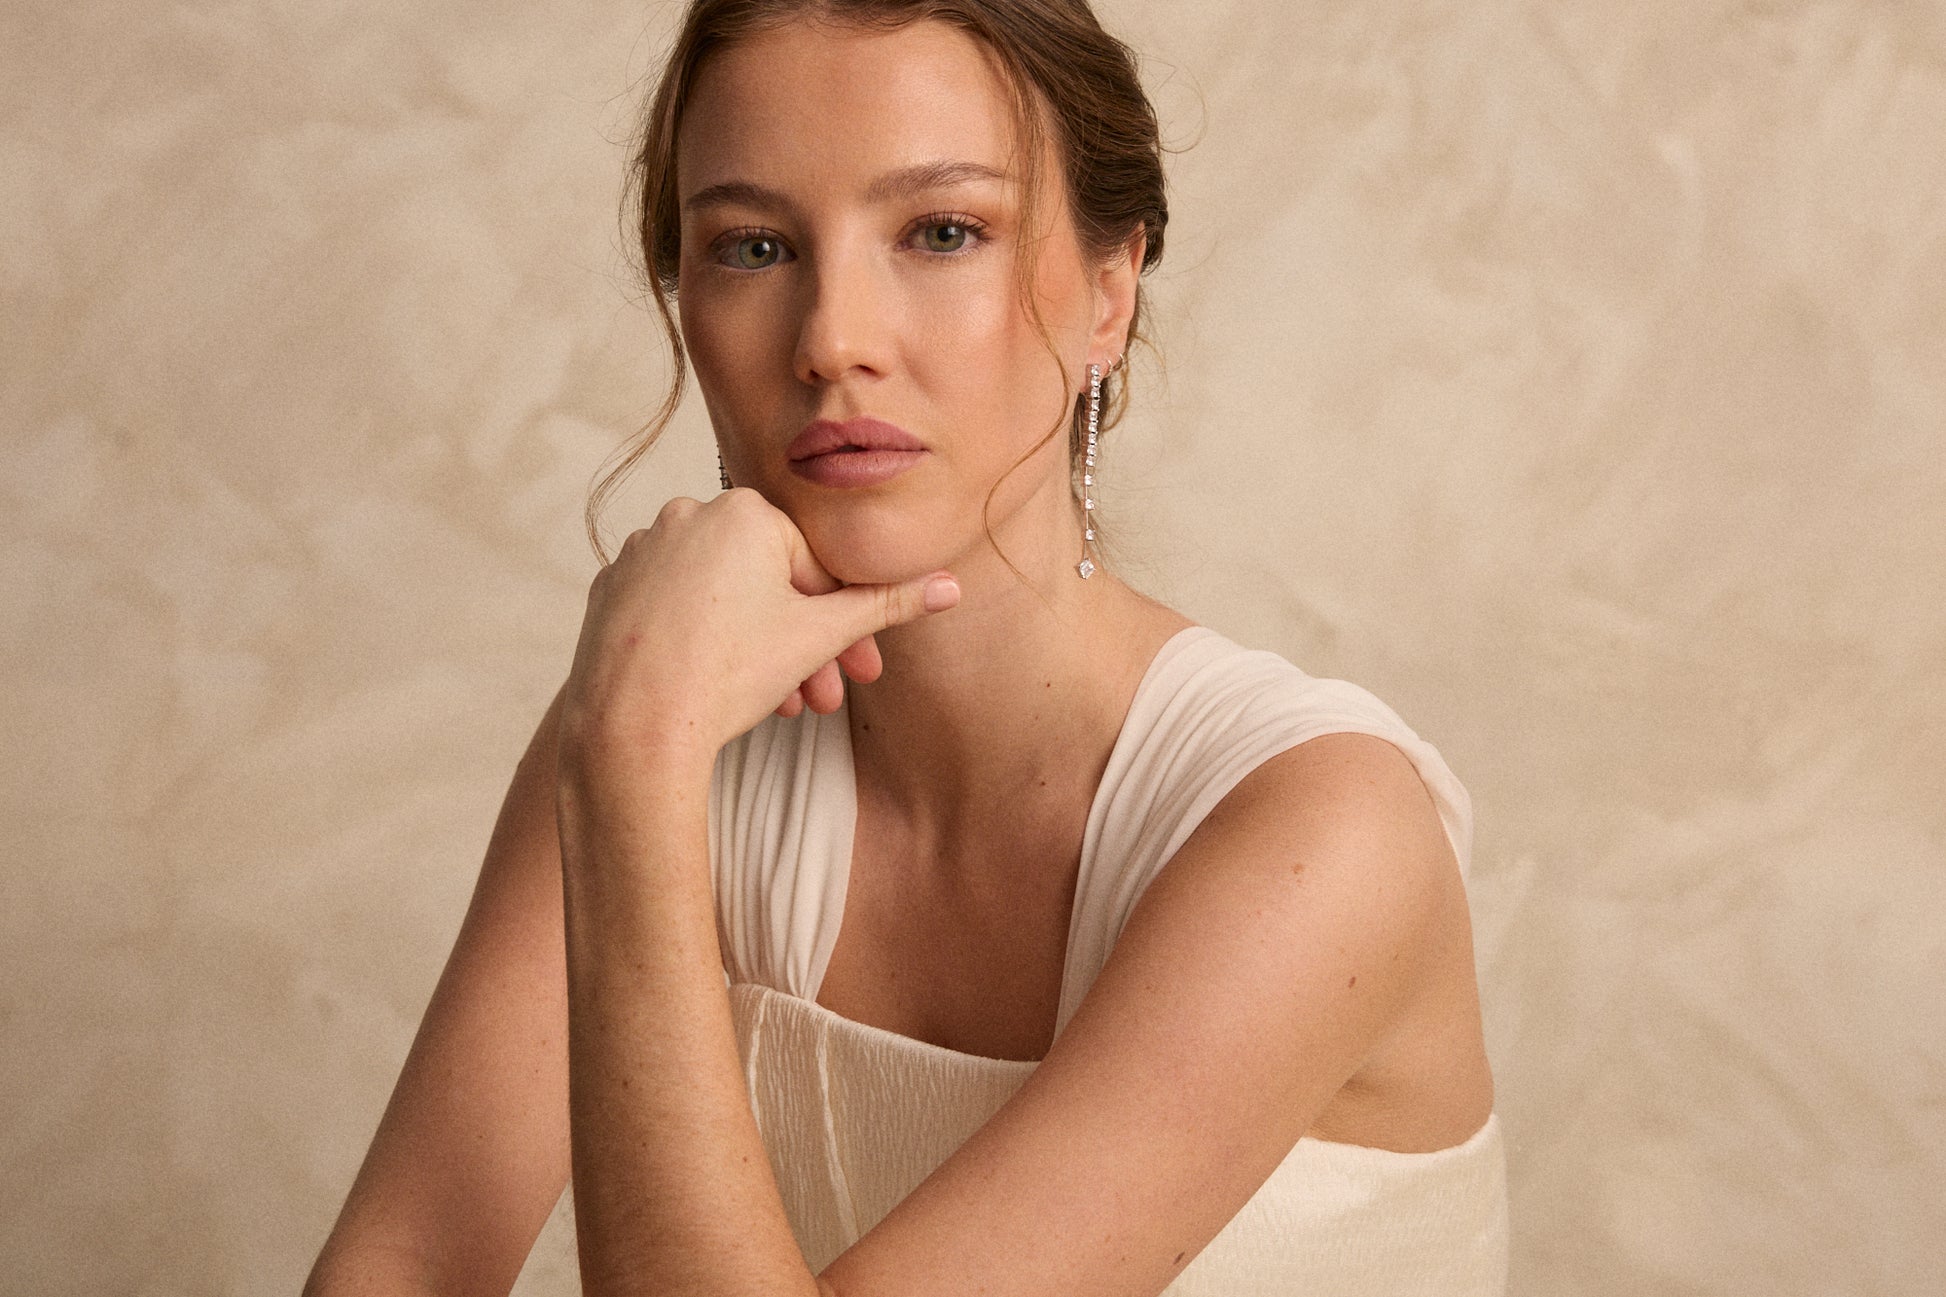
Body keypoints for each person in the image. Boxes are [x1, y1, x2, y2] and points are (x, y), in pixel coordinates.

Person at [306, 1, 1508, 1293]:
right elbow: (402, 1268)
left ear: (1109, 295)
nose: (832, 339)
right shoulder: (659, 722)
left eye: (942, 232)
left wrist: (635, 758)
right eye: (754, 246)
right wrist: (632, 749)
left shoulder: (1322, 831)